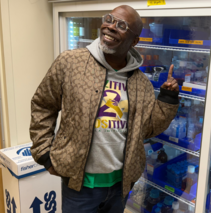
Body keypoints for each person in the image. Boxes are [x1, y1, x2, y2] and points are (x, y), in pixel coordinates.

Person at [29, 5, 179, 213]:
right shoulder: (70, 63)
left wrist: (167, 98)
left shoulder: (141, 83)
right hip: (79, 186)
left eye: (121, 25)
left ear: (134, 41)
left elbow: (148, 129)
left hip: (120, 186)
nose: (110, 27)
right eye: (108, 19)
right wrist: (44, 153)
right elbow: (43, 105)